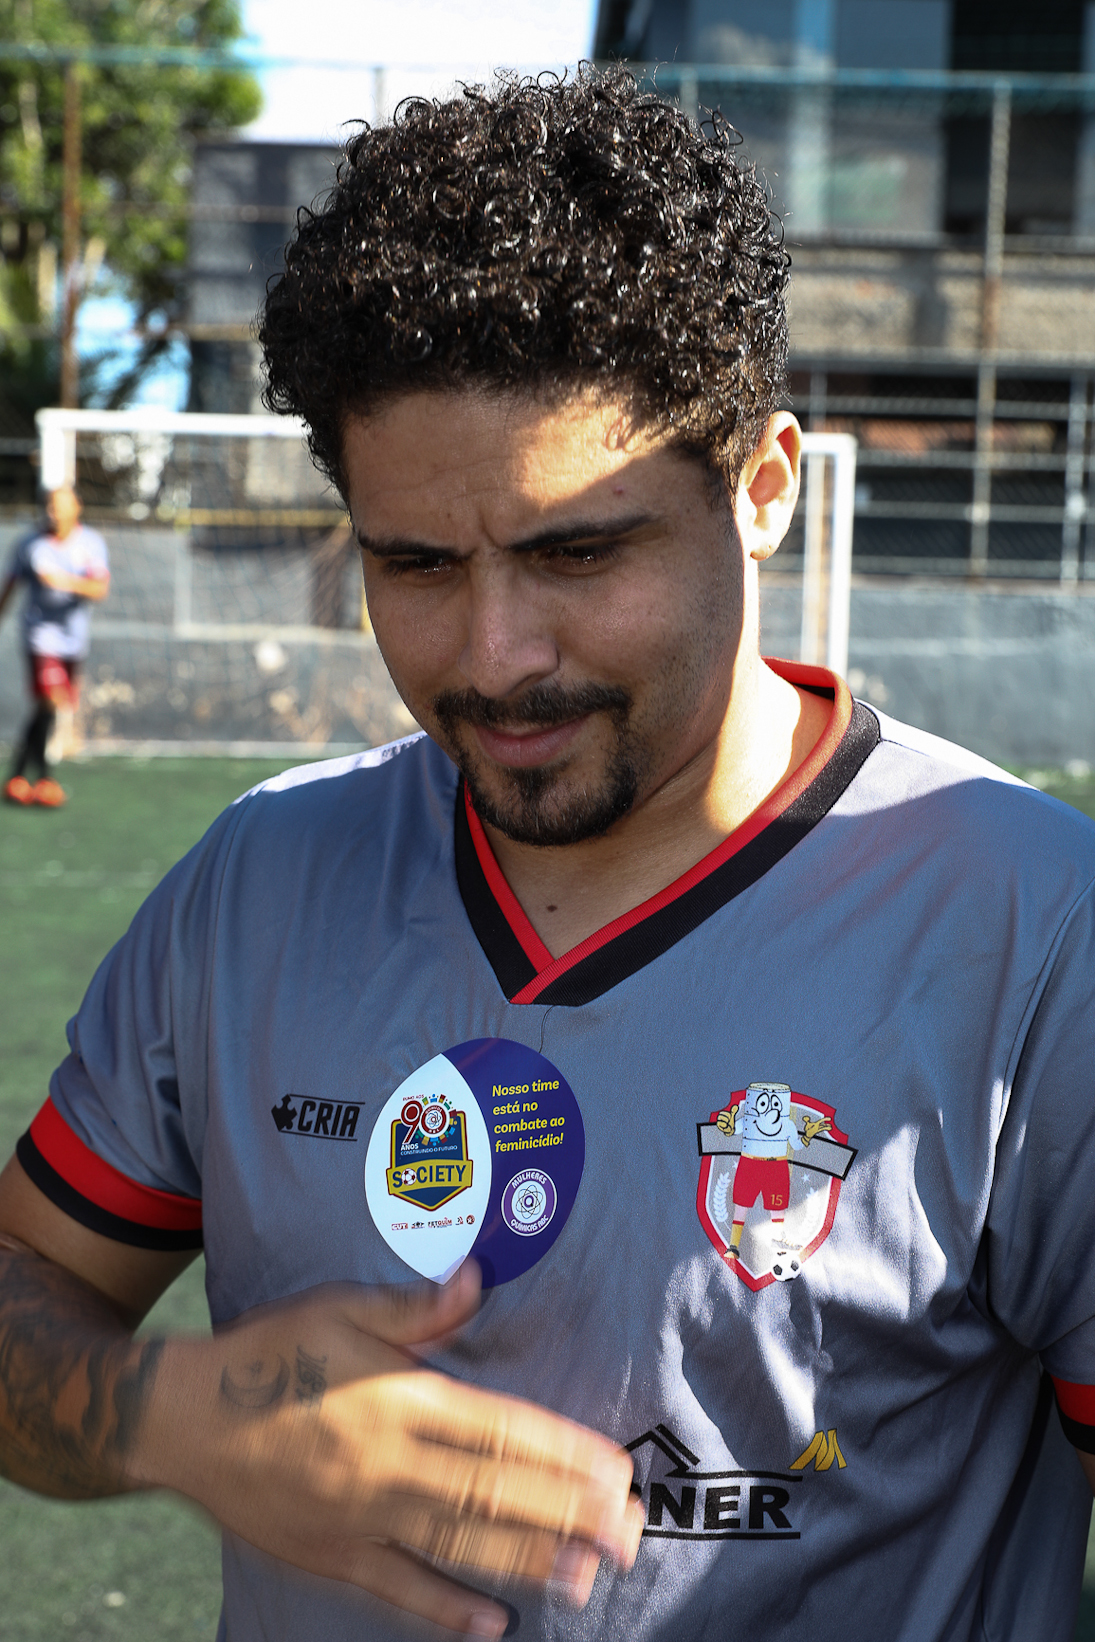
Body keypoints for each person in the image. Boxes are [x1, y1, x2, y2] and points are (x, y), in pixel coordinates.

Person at [0, 64, 1092, 1642]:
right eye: (416, 564)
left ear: (762, 488)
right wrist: (171, 1413)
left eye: (577, 550)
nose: (497, 655)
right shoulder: (253, 887)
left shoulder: (1032, 932)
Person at [0, 483, 110, 807]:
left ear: (76, 508)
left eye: (60, 505)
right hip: (40, 637)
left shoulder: (90, 543)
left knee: (49, 707)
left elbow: (99, 588)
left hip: (73, 640)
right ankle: (44, 778)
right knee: (51, 698)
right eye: (49, 506)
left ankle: (18, 775)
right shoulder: (30, 544)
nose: (54, 512)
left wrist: (62, 580)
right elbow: (10, 585)